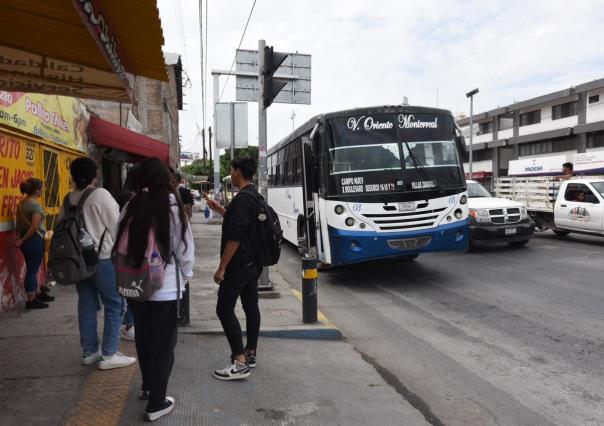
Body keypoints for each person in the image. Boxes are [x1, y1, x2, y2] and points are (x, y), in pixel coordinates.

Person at [116, 158, 194, 422]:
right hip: (165, 288)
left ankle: (148, 386)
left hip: (136, 284)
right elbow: (185, 251)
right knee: (163, 343)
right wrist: (186, 276)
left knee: (145, 338)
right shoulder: (173, 210)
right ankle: (157, 402)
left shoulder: (130, 206)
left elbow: (118, 242)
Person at [63, 157, 136, 370]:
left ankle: (90, 351)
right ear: (95, 174)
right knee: (115, 305)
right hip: (102, 259)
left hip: (78, 262)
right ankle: (109, 353)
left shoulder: (69, 198)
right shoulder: (100, 195)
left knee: (87, 304)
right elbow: (117, 227)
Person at [206, 157, 262, 381]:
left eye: (231, 170)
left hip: (238, 265)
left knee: (224, 309)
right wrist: (221, 210)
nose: (230, 174)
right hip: (253, 264)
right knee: (250, 306)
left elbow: (236, 236)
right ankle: (251, 353)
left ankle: (239, 363)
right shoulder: (255, 196)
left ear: (238, 172)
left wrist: (222, 267)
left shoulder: (241, 199)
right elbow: (245, 225)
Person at [15, 178, 54, 309]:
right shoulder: (35, 205)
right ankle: (31, 299)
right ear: (36, 190)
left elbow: (19, 225)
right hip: (33, 239)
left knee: (33, 267)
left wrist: (20, 239)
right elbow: (34, 227)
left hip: (26, 241)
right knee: (32, 270)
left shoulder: (22, 204)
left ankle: (37, 293)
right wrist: (23, 239)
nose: (44, 190)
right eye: (42, 188)